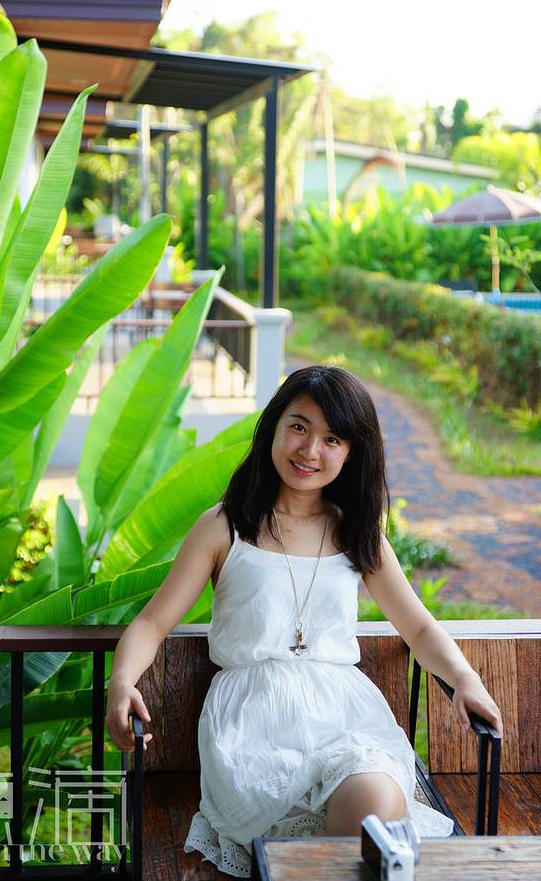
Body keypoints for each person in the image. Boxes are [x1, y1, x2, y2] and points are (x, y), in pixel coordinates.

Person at [105, 365, 502, 878]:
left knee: (374, 806)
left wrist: (465, 679)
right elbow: (152, 623)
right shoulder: (225, 527)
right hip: (252, 725)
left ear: (351, 452)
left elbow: (420, 628)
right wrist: (121, 683)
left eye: (332, 439)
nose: (310, 450)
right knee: (316, 843)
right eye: (298, 427)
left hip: (345, 718)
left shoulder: (358, 533)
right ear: (273, 427)